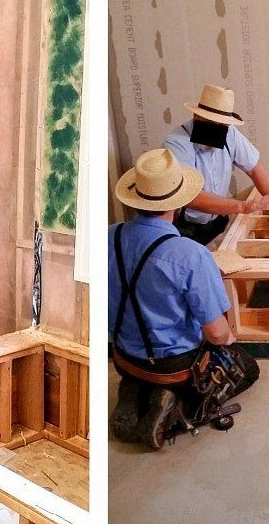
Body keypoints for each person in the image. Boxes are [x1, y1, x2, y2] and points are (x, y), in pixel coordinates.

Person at [108, 148, 259, 449]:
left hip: (123, 357)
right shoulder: (190, 255)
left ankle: (137, 389)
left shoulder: (110, 235)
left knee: (143, 361)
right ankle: (181, 408)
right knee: (248, 368)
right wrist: (229, 339)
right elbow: (216, 334)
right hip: (174, 366)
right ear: (178, 203)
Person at [163, 84, 269, 245]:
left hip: (219, 220)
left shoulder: (230, 133)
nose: (217, 130)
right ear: (196, 116)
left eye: (222, 126)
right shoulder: (177, 144)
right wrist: (242, 207)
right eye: (212, 123)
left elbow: (254, 169)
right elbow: (190, 196)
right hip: (187, 228)